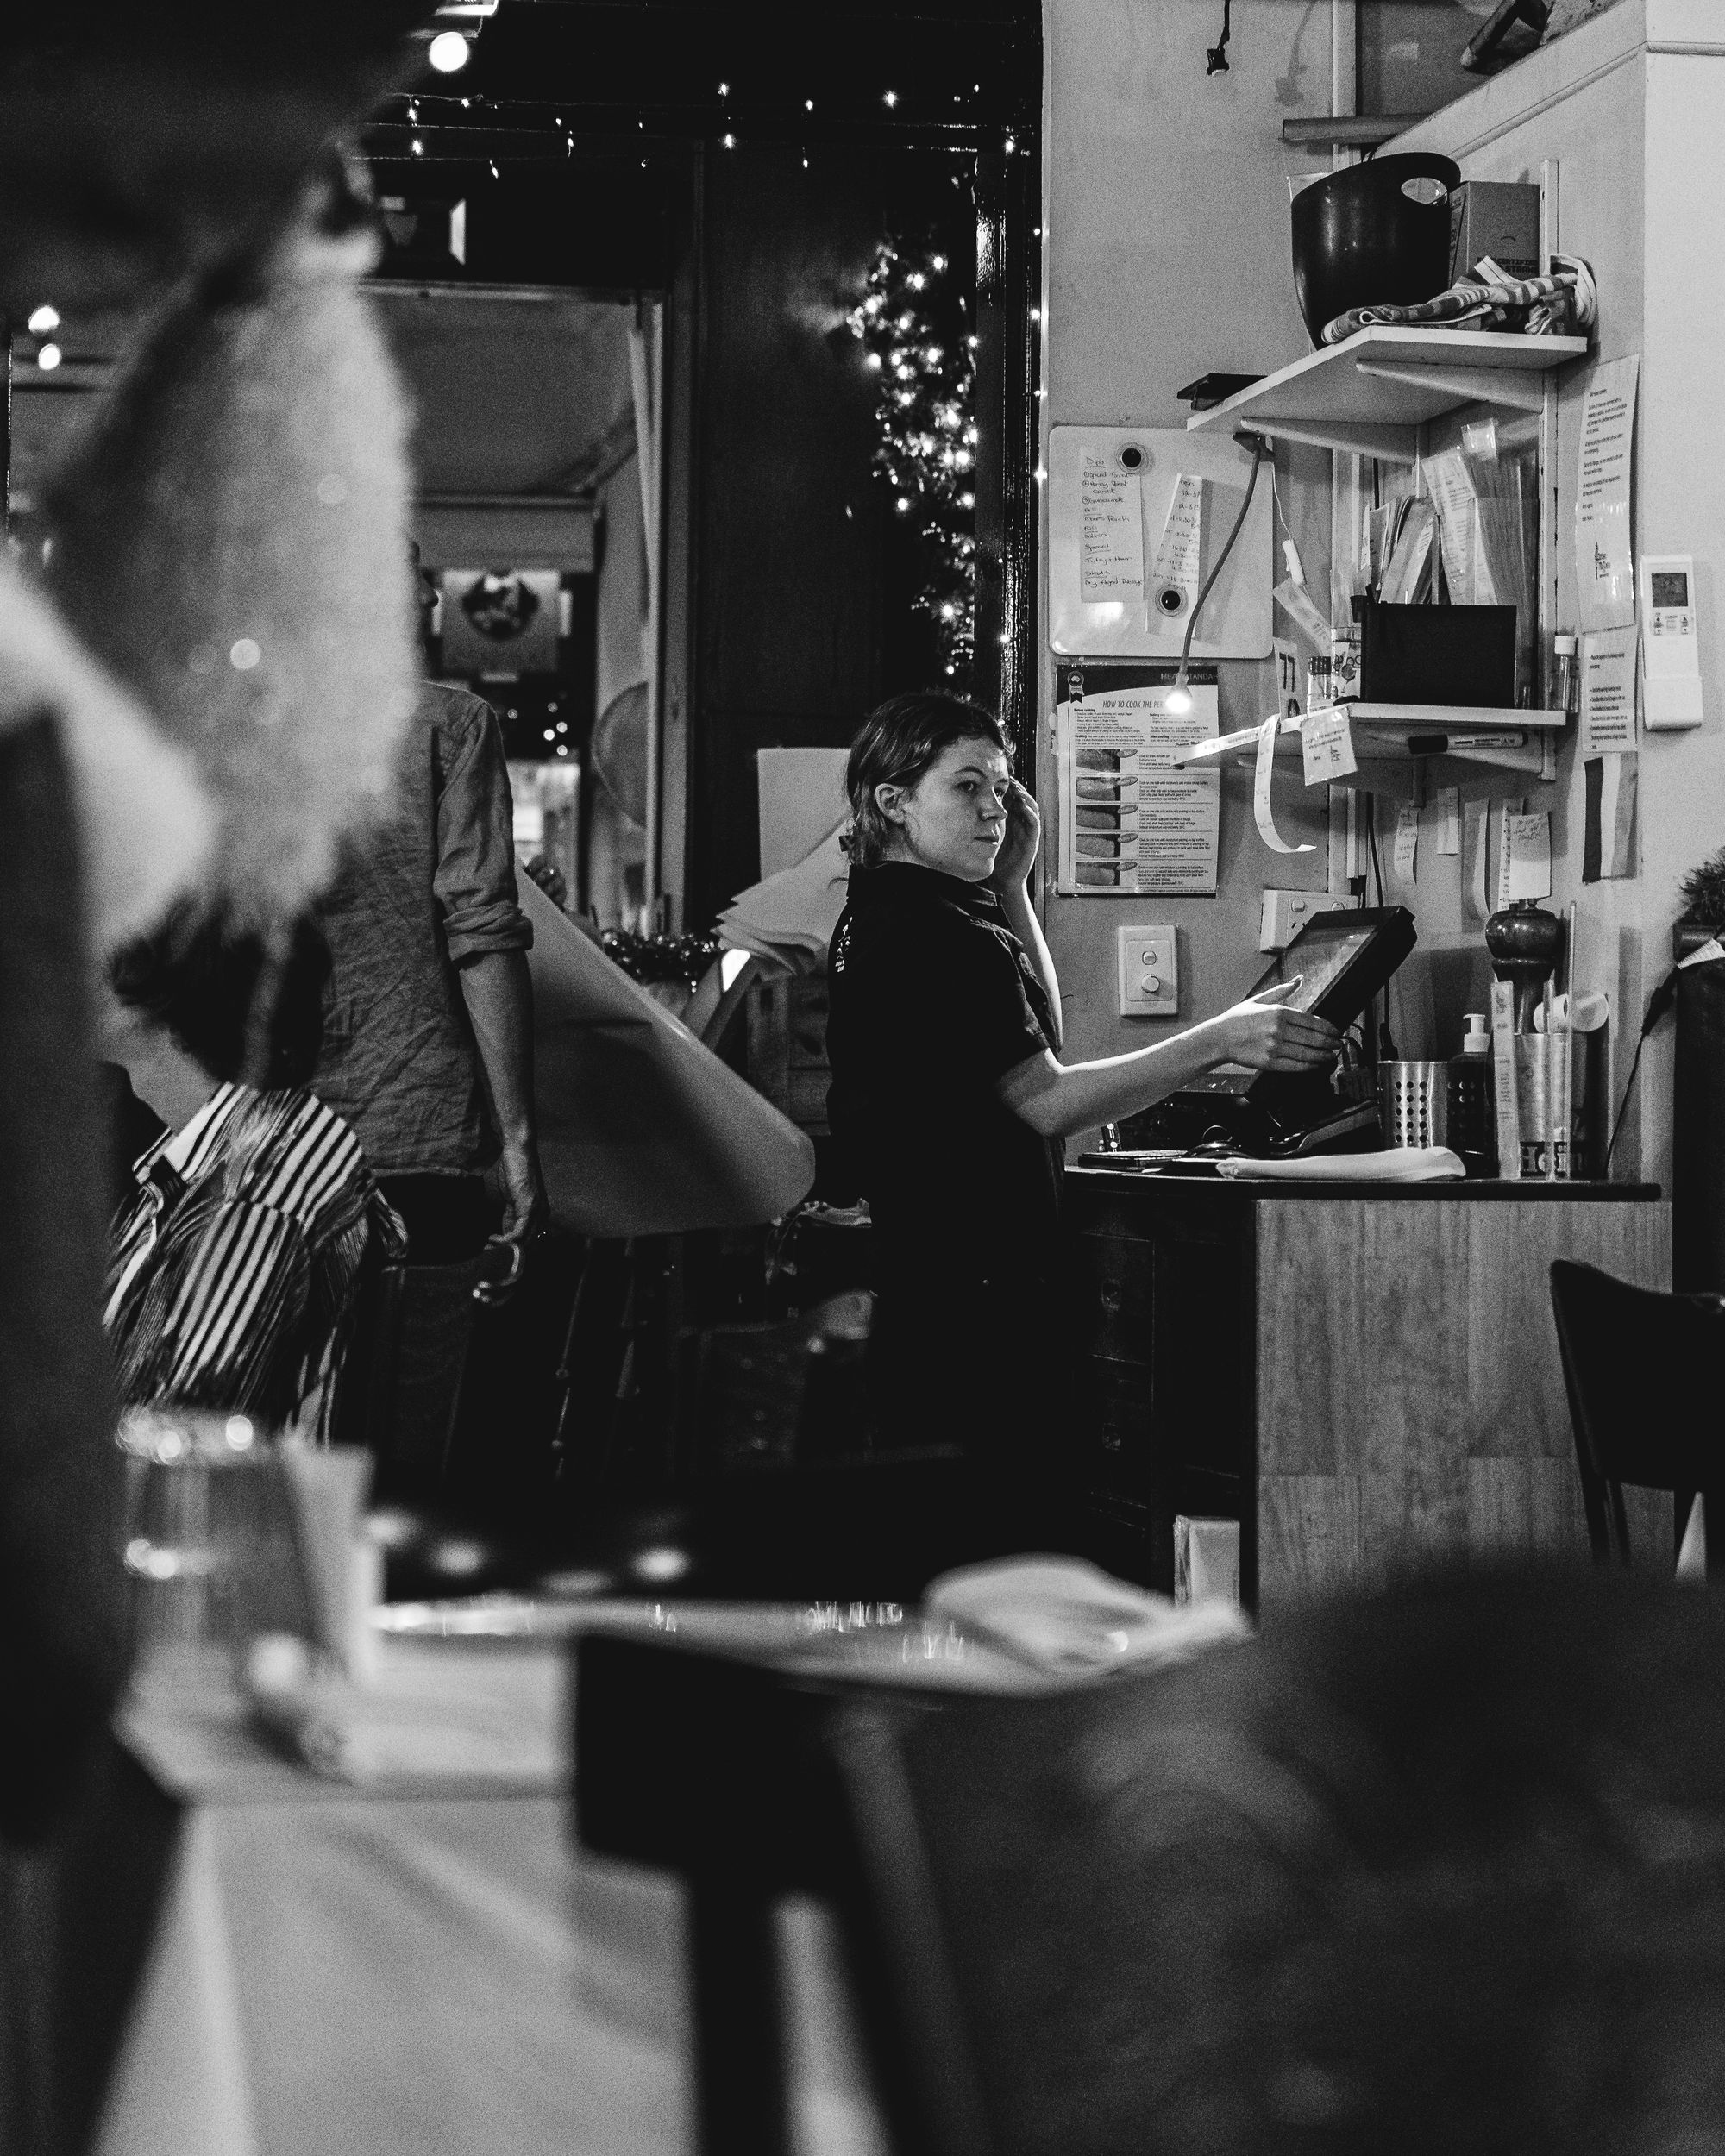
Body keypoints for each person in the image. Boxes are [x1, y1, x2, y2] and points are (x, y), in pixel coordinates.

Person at [824, 692, 1338, 1463]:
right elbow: (1051, 1101)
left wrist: (1010, 888)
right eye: (965, 787)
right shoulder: (939, 933)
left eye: (1000, 787)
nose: (993, 809)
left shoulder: (887, 912)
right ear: (894, 802)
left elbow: (1039, 1042)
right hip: (975, 1294)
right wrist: (1218, 1041)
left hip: (923, 1279)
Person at [308, 553, 549, 1482]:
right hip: (412, 1134)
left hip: (248, 1141)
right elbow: (482, 933)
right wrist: (520, 1139)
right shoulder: (447, 724)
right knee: (403, 1446)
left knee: (273, 1434)